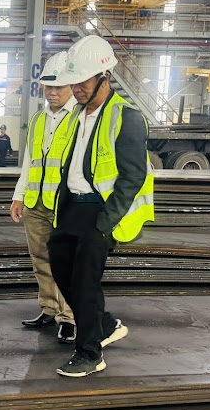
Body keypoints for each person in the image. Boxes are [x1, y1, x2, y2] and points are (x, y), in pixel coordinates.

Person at [47, 35, 154, 377]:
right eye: (74, 82)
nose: (76, 89)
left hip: (102, 212)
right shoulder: (76, 116)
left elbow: (133, 176)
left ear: (104, 77)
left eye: (83, 81)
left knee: (84, 282)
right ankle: (104, 324)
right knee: (60, 265)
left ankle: (90, 353)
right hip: (73, 208)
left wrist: (105, 223)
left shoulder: (126, 117)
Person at [10, 52, 76, 343]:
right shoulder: (38, 119)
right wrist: (19, 196)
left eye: (58, 86)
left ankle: (69, 317)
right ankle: (49, 309)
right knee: (40, 259)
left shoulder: (80, 118)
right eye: (47, 86)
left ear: (72, 86)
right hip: (36, 203)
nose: (51, 92)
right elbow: (30, 161)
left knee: (65, 262)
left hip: (65, 205)